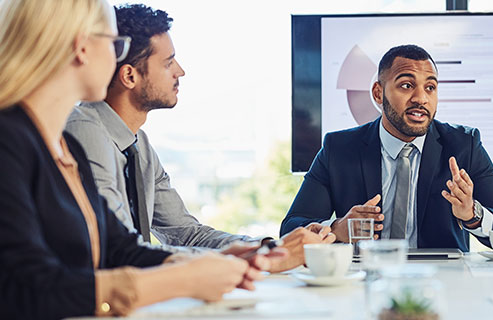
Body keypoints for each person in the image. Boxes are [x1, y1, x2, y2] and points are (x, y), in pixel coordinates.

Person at [0, 0, 289, 318]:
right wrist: (184, 279)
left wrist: (209, 263)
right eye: (114, 44)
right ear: (81, 48)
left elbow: (119, 247)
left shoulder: (65, 147)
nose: (117, 57)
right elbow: (24, 287)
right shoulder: (9, 140)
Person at [65, 4, 333, 273]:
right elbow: (122, 251)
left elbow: (188, 234)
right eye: (168, 62)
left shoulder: (139, 146)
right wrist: (251, 259)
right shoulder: (86, 133)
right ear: (130, 76)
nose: (180, 71)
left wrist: (271, 248)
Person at [281, 44, 493, 251]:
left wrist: (471, 214)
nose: (421, 98)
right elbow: (290, 228)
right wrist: (336, 229)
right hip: (365, 278)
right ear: (378, 93)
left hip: (443, 280)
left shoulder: (465, 145)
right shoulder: (339, 149)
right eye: (406, 85)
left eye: (430, 88)